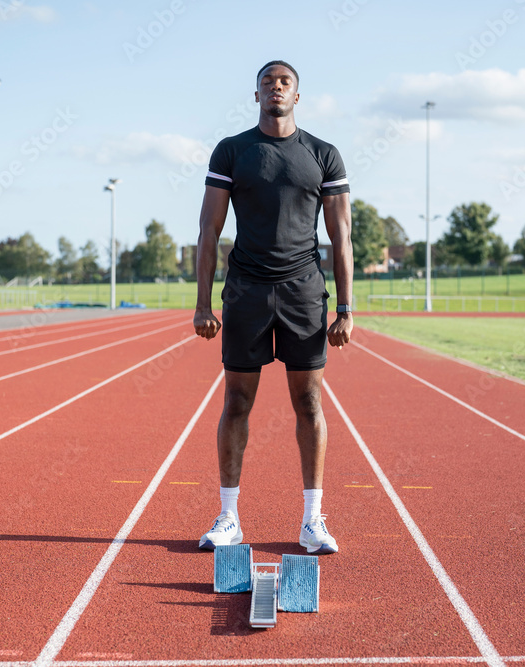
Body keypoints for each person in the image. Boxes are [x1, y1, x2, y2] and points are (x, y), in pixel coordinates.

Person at [192, 60, 353, 555]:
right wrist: (202, 303)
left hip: (304, 292)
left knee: (308, 403)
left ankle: (311, 520)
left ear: (297, 96)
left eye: (284, 83)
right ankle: (228, 517)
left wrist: (346, 306)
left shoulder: (323, 154)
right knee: (237, 402)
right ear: (256, 93)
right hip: (245, 292)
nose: (275, 88)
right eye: (267, 82)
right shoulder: (233, 150)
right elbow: (209, 232)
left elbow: (341, 234)